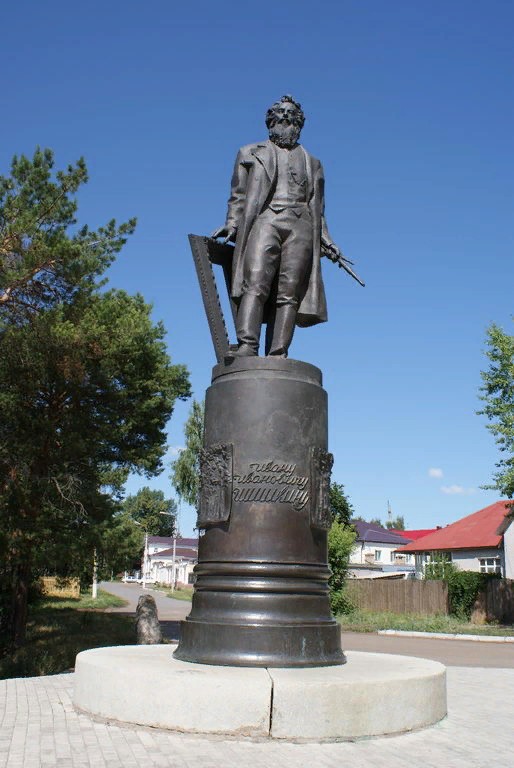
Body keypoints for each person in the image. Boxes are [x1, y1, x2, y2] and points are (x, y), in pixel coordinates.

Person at [212, 94, 343, 358]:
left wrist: (327, 241)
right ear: (271, 121)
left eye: (291, 116)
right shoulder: (249, 152)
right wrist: (232, 223)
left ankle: (278, 353)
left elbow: (319, 208)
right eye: (281, 115)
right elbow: (238, 195)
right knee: (255, 282)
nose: (286, 119)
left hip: (301, 226)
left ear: (299, 124)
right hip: (265, 220)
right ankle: (248, 345)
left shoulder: (313, 163)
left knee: (289, 292)